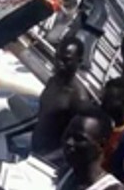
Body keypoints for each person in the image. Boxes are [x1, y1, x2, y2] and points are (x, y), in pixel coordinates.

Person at [29, 37, 95, 166]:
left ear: (79, 62)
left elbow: (80, 142)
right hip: (35, 152)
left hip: (52, 163)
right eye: (57, 58)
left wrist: (47, 159)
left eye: (66, 60)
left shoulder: (78, 97)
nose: (59, 63)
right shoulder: (53, 81)